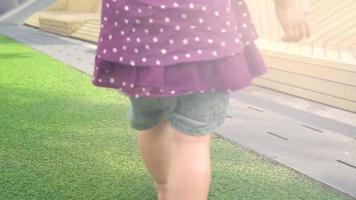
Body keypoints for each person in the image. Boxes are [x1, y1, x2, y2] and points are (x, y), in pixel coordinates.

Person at [92, 0, 311, 199]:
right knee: (191, 140)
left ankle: (164, 188)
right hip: (203, 31)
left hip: (135, 34)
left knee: (151, 123)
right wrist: (287, 5)